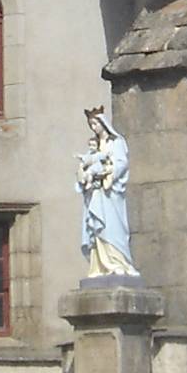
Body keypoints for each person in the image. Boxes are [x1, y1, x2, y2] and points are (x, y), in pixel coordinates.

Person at [76, 105, 138, 278]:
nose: (93, 127)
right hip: (96, 193)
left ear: (103, 123)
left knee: (113, 227)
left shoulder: (115, 142)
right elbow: (86, 164)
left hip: (111, 193)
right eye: (91, 125)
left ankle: (119, 261)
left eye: (95, 124)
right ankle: (101, 266)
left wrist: (107, 171)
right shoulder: (94, 146)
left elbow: (121, 163)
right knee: (97, 228)